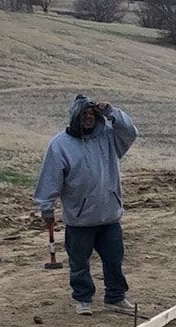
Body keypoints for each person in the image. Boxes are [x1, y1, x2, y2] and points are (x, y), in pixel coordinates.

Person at [34, 94, 138, 314]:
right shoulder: (60, 144)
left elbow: (130, 132)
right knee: (79, 264)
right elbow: (50, 177)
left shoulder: (109, 138)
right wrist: (46, 206)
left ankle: (115, 297)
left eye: (92, 114)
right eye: (84, 114)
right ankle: (83, 300)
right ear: (75, 117)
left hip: (109, 215)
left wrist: (110, 111)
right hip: (80, 220)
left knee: (114, 261)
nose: (89, 118)